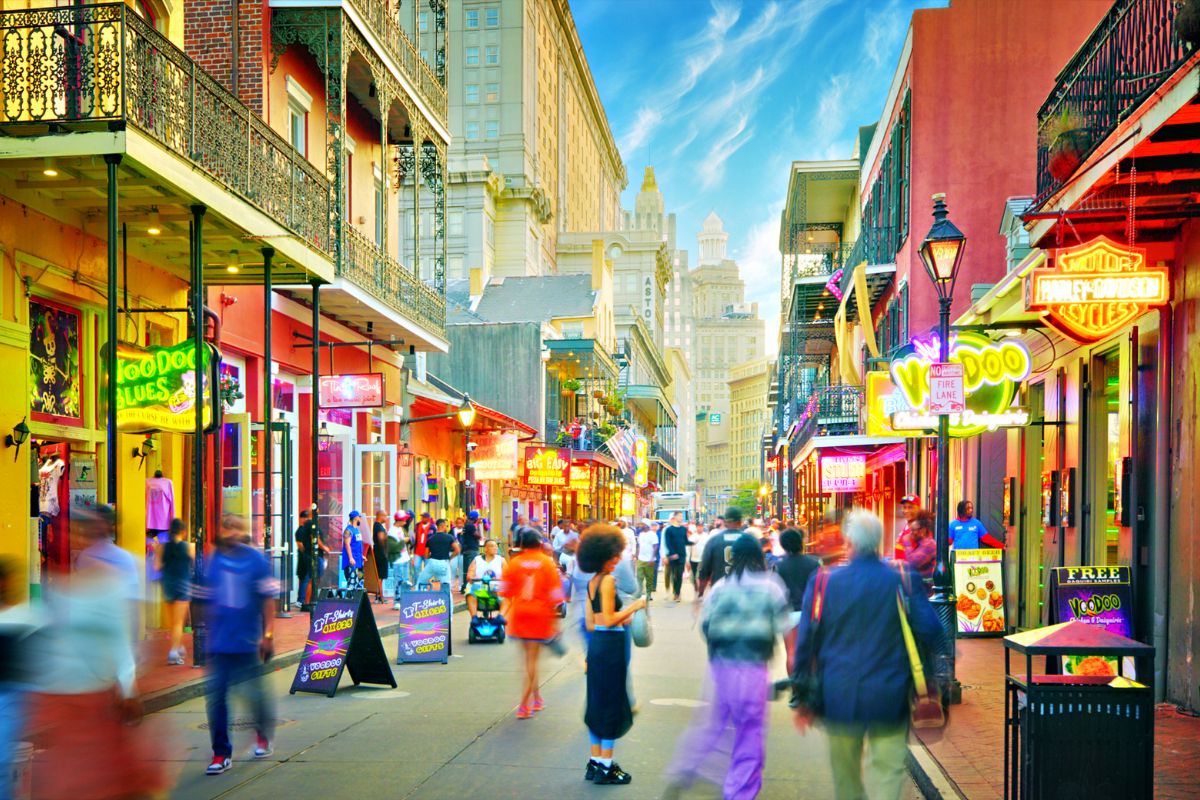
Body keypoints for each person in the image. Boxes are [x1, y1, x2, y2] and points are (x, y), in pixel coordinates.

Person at [791, 510, 945, 800]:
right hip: (891, 694)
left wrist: (801, 695)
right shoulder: (901, 577)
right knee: (888, 773)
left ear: (849, 541)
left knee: (846, 777)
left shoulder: (824, 581)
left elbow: (806, 641)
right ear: (878, 542)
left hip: (838, 696)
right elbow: (930, 628)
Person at [25, 505, 169, 799]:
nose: (83, 533)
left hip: (99, 687)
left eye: (91, 525)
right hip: (71, 691)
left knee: (105, 769)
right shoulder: (78, 569)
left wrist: (127, 683)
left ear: (108, 526)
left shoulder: (124, 565)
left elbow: (124, 626)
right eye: (79, 527)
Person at [665, 534, 794, 800]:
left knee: (714, 725)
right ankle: (738, 793)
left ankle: (688, 767)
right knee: (749, 734)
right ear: (759, 556)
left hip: (720, 669)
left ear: (732, 558)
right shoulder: (771, 586)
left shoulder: (721, 587)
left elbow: (706, 627)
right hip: (753, 669)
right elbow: (784, 627)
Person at [199, 515, 277, 776]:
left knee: (253, 695)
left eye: (235, 527)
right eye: (226, 526)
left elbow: (268, 599)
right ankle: (221, 753)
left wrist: (267, 635)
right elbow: (208, 598)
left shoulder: (255, 560)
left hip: (247, 642)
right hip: (219, 644)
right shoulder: (215, 560)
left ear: (243, 532)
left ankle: (263, 734)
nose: (230, 532)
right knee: (216, 699)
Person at [578, 525, 646, 785]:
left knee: (597, 702)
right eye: (615, 555)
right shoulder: (607, 581)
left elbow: (593, 623)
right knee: (611, 704)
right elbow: (607, 618)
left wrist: (619, 621)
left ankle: (595, 761)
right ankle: (606, 765)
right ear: (605, 555)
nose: (618, 558)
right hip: (612, 649)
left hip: (597, 646)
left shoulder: (593, 582)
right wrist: (634, 608)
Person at [499, 528, 564, 719]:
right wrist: (555, 624)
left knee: (528, 661)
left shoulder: (514, 563)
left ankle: (536, 698)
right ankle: (524, 705)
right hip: (540, 616)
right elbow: (555, 596)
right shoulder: (546, 563)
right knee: (532, 663)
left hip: (520, 615)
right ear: (539, 544)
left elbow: (505, 593)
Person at [774, 528, 819, 675]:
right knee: (812, 653)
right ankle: (811, 687)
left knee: (791, 652)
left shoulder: (779, 566)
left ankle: (795, 689)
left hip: (789, 613)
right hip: (810, 611)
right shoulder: (813, 564)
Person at [156, 518, 194, 665]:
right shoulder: (190, 547)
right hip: (183, 585)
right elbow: (197, 563)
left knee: (173, 622)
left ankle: (178, 646)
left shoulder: (161, 548)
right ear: (183, 532)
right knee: (179, 623)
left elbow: (157, 567)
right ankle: (173, 652)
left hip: (168, 585)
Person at [697, 507, 747, 598]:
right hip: (744, 592)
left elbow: (704, 569)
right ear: (740, 522)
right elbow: (761, 567)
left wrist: (700, 592)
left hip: (720, 591)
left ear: (725, 522)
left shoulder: (714, 540)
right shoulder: (750, 540)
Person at [466, 539, 508, 619]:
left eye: (496, 546)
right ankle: (474, 618)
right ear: (486, 549)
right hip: (480, 587)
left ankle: (500, 617)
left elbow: (507, 575)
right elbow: (470, 574)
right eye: (492, 546)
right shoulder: (477, 559)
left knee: (507, 594)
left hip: (496, 589)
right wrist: (471, 578)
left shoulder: (501, 560)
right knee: (469, 592)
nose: (495, 548)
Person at [418, 519, 459, 589]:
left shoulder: (430, 538)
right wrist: (450, 557)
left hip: (432, 562)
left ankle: (417, 597)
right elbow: (457, 550)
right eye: (446, 526)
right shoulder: (450, 537)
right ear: (443, 526)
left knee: (421, 581)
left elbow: (426, 555)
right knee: (446, 586)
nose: (446, 527)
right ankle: (447, 599)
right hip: (444, 562)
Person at [295, 509, 320, 610]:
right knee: (304, 578)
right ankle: (301, 600)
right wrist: (306, 552)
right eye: (304, 517)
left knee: (307, 578)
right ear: (301, 518)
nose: (305, 519)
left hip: (306, 556)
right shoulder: (301, 530)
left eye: (306, 517)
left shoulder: (306, 528)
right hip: (303, 557)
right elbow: (300, 544)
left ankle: (304, 599)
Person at [901, 511, 936, 581]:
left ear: (922, 530)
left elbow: (912, 563)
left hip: (924, 588)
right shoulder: (921, 543)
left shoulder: (929, 544)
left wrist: (907, 543)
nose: (911, 533)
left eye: (913, 530)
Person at [662, 512, 689, 602]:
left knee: (677, 574)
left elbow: (684, 542)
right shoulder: (666, 529)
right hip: (668, 555)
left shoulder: (681, 529)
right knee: (668, 574)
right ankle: (667, 590)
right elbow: (663, 543)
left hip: (678, 555)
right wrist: (664, 556)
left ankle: (676, 592)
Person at [388, 511, 413, 602]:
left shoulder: (400, 529)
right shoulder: (392, 531)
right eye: (404, 519)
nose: (406, 522)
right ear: (399, 520)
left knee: (405, 580)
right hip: (397, 560)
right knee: (398, 580)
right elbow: (393, 547)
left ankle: (404, 599)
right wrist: (404, 540)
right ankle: (397, 601)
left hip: (404, 558)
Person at [459, 510, 483, 593]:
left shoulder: (466, 525)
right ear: (475, 518)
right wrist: (479, 525)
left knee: (466, 569)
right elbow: (478, 536)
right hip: (472, 549)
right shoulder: (471, 526)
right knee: (471, 568)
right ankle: (467, 587)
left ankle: (464, 586)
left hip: (466, 549)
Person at [635, 521, 659, 601]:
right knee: (639, 577)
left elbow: (656, 546)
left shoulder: (653, 534)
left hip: (650, 560)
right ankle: (640, 593)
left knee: (649, 578)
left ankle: (648, 594)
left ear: (647, 525)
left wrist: (652, 558)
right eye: (641, 524)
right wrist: (637, 555)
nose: (641, 525)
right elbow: (638, 545)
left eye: (643, 524)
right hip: (641, 559)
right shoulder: (640, 534)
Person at [893, 494, 921, 560]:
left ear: (918, 509)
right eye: (904, 507)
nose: (906, 511)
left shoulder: (920, 529)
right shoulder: (906, 527)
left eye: (910, 507)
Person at [341, 510, 364, 587]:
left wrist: (361, 556)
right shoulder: (348, 530)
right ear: (355, 518)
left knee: (359, 583)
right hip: (351, 561)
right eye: (359, 517)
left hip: (358, 560)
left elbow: (357, 544)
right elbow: (347, 544)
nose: (360, 519)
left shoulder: (356, 530)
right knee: (352, 583)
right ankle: (349, 598)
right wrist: (350, 558)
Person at [371, 510, 390, 602]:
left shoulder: (378, 526)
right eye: (385, 516)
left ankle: (379, 595)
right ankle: (380, 597)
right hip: (381, 553)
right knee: (380, 575)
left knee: (380, 576)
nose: (386, 519)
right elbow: (381, 539)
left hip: (380, 552)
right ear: (380, 516)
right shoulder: (378, 526)